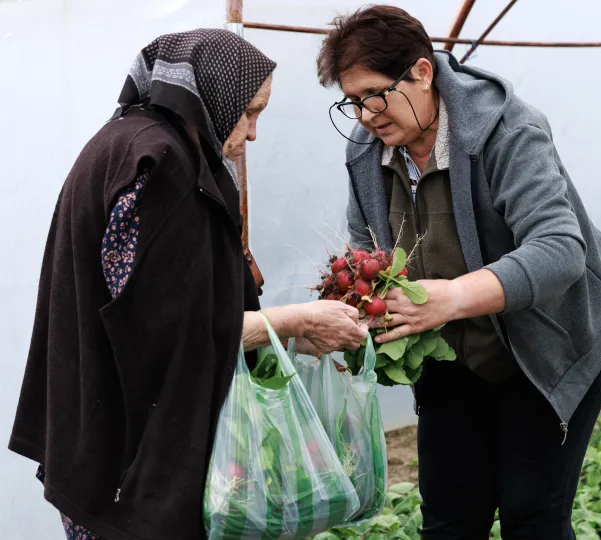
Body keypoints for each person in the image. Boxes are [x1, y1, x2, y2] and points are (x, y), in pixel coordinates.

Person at [9, 29, 367, 540]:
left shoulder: (126, 142)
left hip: (101, 443)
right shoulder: (160, 166)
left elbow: (166, 303)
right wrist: (290, 322)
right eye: (250, 112)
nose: (254, 132)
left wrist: (283, 333)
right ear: (214, 94)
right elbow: (162, 334)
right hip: (133, 464)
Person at [317, 6, 601, 539]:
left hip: (546, 343)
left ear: (422, 72)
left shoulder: (507, 130)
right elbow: (365, 248)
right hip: (452, 349)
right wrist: (348, 301)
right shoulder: (368, 150)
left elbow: (559, 249)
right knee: (448, 516)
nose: (365, 114)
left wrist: (453, 296)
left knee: (532, 514)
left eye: (373, 94)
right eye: (351, 102)